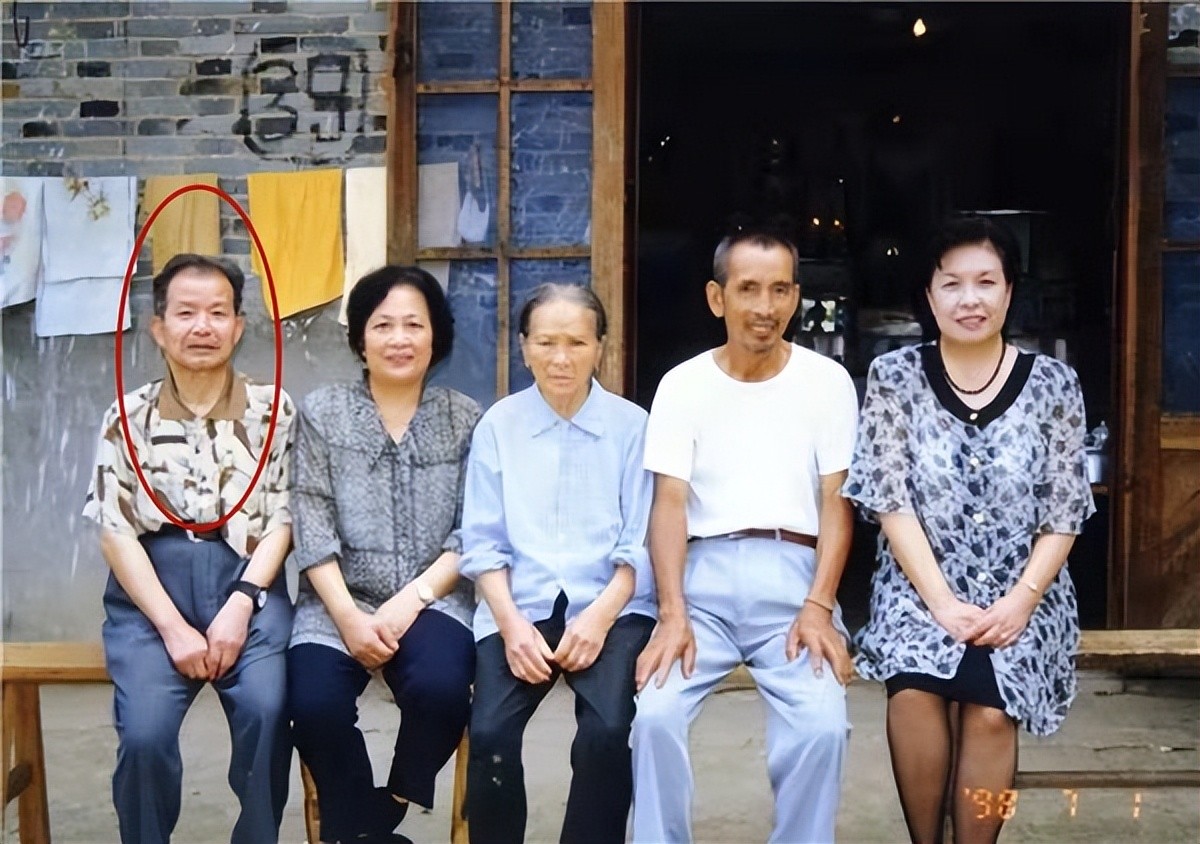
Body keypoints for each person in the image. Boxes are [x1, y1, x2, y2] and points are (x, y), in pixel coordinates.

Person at [843, 216, 1094, 844]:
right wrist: (941, 603)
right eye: (951, 284)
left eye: (986, 282)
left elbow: (1065, 509)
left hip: (1027, 590)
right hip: (917, 587)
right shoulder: (895, 377)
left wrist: (1020, 601)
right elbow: (889, 500)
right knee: (914, 692)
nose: (969, 299)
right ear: (929, 297)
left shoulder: (1055, 385)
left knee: (989, 710)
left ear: (1010, 291)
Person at [631, 227, 859, 843]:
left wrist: (820, 605)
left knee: (821, 726)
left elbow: (836, 503)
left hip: (795, 583)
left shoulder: (827, 382)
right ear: (717, 297)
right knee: (654, 717)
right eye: (749, 289)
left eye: (780, 290)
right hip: (700, 585)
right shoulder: (682, 385)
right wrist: (671, 613)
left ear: (797, 297)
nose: (765, 306)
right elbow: (669, 505)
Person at [82, 253, 295, 844]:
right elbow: (115, 530)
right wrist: (174, 628)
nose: (203, 327)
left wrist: (242, 602)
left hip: (248, 586)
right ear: (158, 328)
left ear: (239, 326)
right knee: (145, 734)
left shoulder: (274, 410)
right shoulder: (127, 415)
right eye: (186, 313)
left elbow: (283, 518)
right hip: (153, 594)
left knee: (268, 712)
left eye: (218, 313)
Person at [287, 266, 481, 844]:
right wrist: (349, 617)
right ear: (360, 338)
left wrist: (413, 598)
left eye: (414, 325)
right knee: (312, 702)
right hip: (337, 600)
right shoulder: (322, 413)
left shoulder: (465, 419)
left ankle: (384, 809)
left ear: (436, 336)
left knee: (443, 690)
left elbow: (472, 531)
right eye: (383, 325)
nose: (399, 339)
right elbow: (310, 521)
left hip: (433, 598)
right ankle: (365, 833)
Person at [460, 283, 655, 844]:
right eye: (546, 343)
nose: (561, 358)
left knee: (608, 731)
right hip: (519, 603)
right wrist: (511, 626)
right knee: (491, 733)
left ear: (601, 348)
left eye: (577, 342)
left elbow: (640, 542)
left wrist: (599, 618)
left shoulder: (632, 427)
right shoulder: (499, 426)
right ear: (524, 348)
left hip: (612, 605)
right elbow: (483, 541)